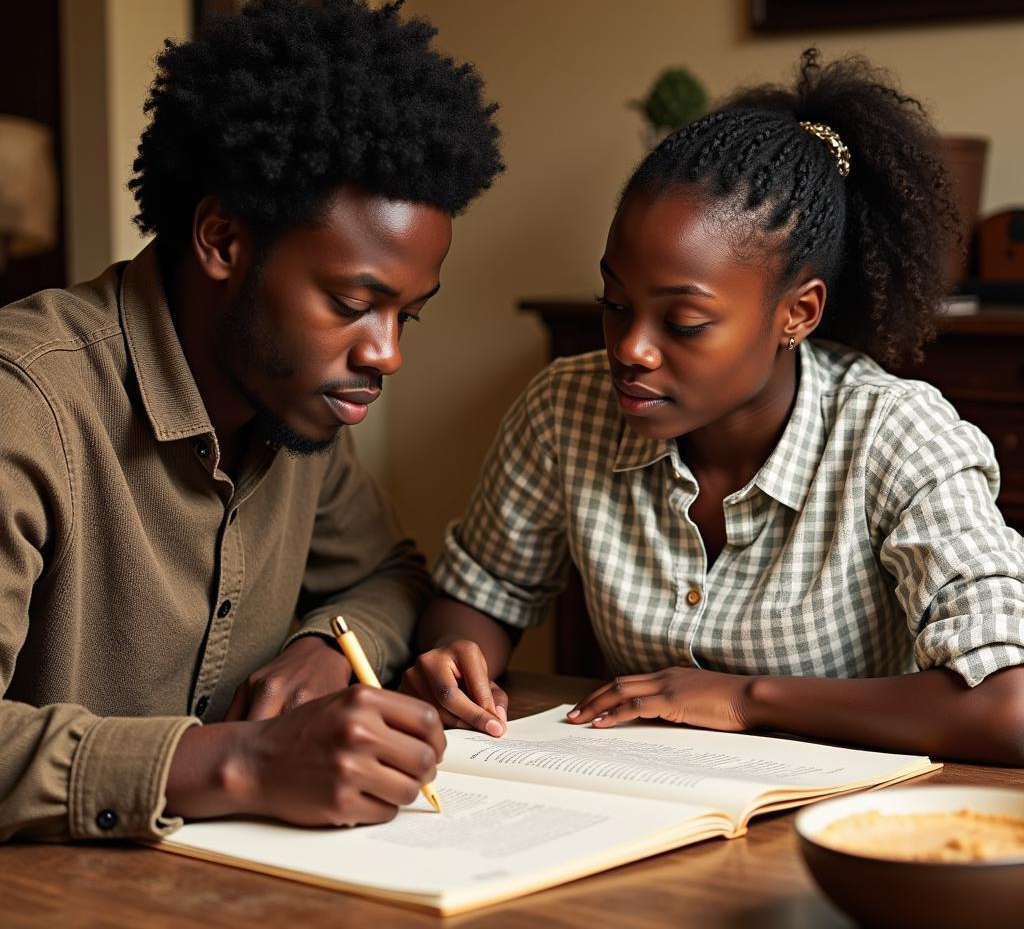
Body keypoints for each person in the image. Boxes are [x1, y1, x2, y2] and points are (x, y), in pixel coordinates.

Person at [403, 50, 1024, 764]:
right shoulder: (564, 408)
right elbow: (482, 591)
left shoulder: (896, 436)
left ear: (798, 313)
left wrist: (742, 696)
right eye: (614, 304)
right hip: (639, 805)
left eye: (684, 323)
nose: (630, 349)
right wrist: (455, 654)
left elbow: (1009, 706)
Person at [0, 0, 503, 842]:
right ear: (224, 241)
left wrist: (322, 646)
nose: (387, 354)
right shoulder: (28, 401)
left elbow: (389, 576)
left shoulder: (295, 407)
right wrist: (244, 762)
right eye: (353, 302)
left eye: (406, 315)